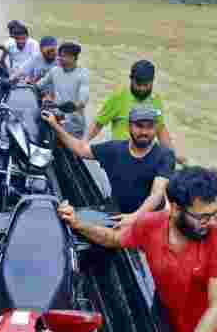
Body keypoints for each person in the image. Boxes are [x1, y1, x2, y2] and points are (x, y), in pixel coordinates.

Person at [57, 166, 217, 332]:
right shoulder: (150, 225)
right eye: (203, 216)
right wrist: (77, 223)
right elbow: (114, 238)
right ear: (174, 209)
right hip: (170, 327)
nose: (211, 222)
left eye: (215, 213)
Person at [42, 105, 175, 228]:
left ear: (155, 128)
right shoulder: (114, 149)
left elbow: (156, 194)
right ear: (129, 126)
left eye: (150, 127)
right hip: (117, 213)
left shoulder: (165, 156)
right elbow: (81, 150)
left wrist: (135, 217)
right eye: (139, 126)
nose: (144, 132)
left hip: (149, 219)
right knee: (66, 216)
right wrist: (55, 126)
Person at [87, 60, 186, 165]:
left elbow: (160, 130)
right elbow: (98, 123)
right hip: (121, 157)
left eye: (146, 85)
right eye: (138, 84)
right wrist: (83, 143)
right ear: (131, 79)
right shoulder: (118, 97)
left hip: (145, 158)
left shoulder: (156, 100)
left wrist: (173, 155)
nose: (142, 89)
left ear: (152, 81)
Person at [37, 42, 90, 138]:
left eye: (63, 56)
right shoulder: (55, 71)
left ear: (73, 58)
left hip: (74, 124)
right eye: (59, 56)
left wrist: (75, 106)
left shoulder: (83, 74)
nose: (59, 58)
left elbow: (83, 100)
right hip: (56, 118)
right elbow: (39, 85)